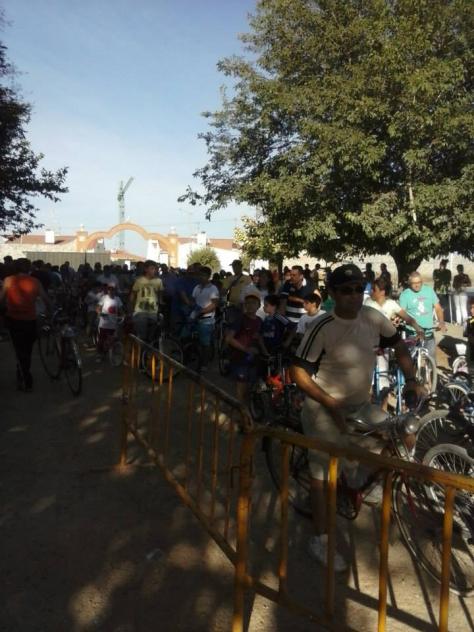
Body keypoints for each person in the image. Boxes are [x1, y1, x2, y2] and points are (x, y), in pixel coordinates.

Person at [290, 264, 422, 571]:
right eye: (346, 290)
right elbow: (297, 372)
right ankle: (320, 539)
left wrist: (412, 379)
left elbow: (398, 346)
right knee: (324, 475)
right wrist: (330, 403)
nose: (354, 295)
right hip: (322, 406)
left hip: (360, 405)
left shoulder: (373, 317)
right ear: (333, 294)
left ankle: (361, 480)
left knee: (403, 434)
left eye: (358, 289)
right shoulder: (323, 326)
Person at [0, 258, 52, 390]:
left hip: (13, 319)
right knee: (27, 350)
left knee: (19, 349)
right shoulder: (35, 282)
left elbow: (1, 300)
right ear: (29, 268)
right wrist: (50, 312)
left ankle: (24, 376)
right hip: (30, 320)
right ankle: (24, 374)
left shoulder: (8, 280)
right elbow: (46, 299)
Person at [399, 271, 447, 360]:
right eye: (414, 283)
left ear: (422, 281)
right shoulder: (405, 294)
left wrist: (441, 322)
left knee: (431, 361)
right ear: (409, 283)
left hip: (428, 333)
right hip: (413, 334)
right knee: (412, 361)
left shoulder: (429, 291)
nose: (417, 285)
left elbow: (438, 308)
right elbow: (402, 313)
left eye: (419, 282)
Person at [225, 292, 263, 402]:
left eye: (253, 303)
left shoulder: (260, 321)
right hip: (240, 358)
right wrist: (246, 349)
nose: (250, 305)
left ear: (258, 305)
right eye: (248, 303)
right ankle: (240, 410)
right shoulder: (240, 319)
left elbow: (260, 338)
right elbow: (229, 338)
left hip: (254, 359)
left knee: (250, 387)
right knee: (241, 387)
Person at [190, 266, 219, 370]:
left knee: (205, 344)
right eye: (200, 275)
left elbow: (214, 304)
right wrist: (193, 308)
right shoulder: (196, 287)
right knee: (189, 337)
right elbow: (193, 300)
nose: (201, 277)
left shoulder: (213, 288)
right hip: (195, 317)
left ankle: (204, 363)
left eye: (203, 275)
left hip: (207, 319)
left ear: (208, 276)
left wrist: (201, 311)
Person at [129, 260, 163, 341]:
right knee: (142, 337)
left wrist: (160, 307)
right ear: (146, 269)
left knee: (152, 337)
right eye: (152, 268)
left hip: (153, 311)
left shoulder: (159, 281)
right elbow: (133, 295)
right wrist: (130, 310)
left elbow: (160, 296)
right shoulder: (139, 281)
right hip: (140, 311)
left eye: (155, 269)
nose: (154, 271)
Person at [96, 284, 123, 361]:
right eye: (109, 289)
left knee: (112, 340)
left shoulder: (118, 299)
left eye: (112, 289)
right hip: (104, 324)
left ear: (115, 290)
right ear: (107, 290)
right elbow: (98, 308)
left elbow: (121, 310)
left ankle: (109, 353)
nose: (111, 291)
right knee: (101, 340)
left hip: (113, 324)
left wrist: (124, 315)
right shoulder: (104, 298)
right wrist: (99, 312)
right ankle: (99, 355)